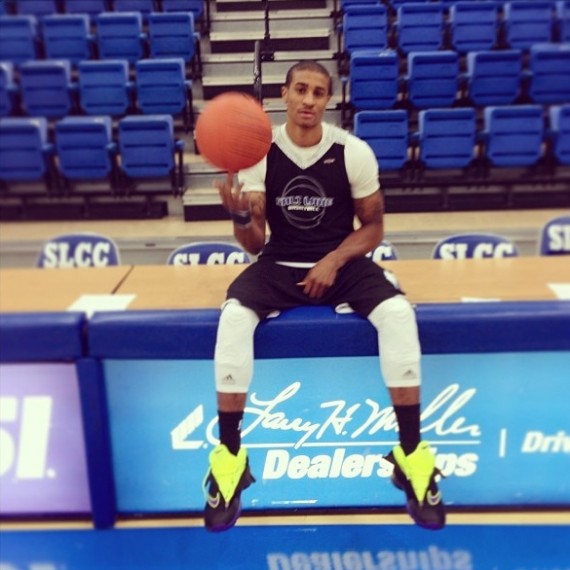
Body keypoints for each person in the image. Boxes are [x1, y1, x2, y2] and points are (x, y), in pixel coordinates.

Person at [202, 60, 445, 532]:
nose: (309, 100)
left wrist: (333, 260)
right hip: (280, 263)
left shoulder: (352, 151)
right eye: (301, 90)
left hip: (342, 262)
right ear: (285, 94)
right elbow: (254, 243)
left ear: (328, 99)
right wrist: (239, 217)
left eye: (318, 92)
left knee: (398, 313)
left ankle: (412, 455)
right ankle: (229, 460)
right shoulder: (259, 154)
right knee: (233, 317)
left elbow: (373, 228)